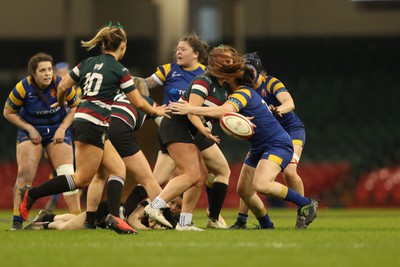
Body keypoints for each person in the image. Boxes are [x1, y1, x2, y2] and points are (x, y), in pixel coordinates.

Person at [19, 22, 169, 235]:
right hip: (94, 123)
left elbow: (62, 86)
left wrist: (62, 102)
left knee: (117, 169)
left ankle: (110, 218)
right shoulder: (119, 69)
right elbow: (139, 103)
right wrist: (157, 111)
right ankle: (32, 194)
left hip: (87, 119)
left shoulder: (87, 62)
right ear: (122, 46)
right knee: (82, 178)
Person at [169, 61, 318, 230]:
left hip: (276, 144)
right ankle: (266, 224)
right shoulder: (237, 94)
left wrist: (191, 108)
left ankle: (306, 204)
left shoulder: (242, 93)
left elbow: (222, 111)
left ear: (233, 78)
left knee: (261, 185)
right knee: (244, 191)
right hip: (259, 146)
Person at [144, 45, 244, 231]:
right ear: (216, 63)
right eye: (226, 60)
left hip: (189, 129)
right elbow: (191, 112)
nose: (230, 63)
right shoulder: (204, 81)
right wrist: (204, 130)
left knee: (201, 176)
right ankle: (154, 207)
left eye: (231, 60)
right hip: (176, 125)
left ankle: (184, 223)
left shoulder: (224, 86)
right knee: (191, 174)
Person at [230, 53, 308, 229]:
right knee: (249, 177)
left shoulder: (270, 82)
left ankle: (303, 212)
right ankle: (241, 220)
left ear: (258, 71)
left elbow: (289, 102)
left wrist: (279, 110)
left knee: (289, 171)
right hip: (268, 136)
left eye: (250, 70)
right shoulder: (243, 89)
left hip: (290, 131)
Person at [3, 52, 79, 231]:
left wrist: (62, 129)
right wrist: (29, 129)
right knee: (25, 173)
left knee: (67, 173)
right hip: (31, 131)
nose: (47, 73)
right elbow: (8, 112)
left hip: (57, 129)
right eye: (42, 70)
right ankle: (17, 221)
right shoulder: (22, 88)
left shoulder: (61, 83)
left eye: (50, 69)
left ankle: (77, 217)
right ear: (33, 74)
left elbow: (76, 106)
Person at [24, 189, 183, 231]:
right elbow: (132, 219)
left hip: (111, 220)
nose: (174, 208)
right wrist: (149, 230)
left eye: (179, 207)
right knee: (68, 227)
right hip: (109, 212)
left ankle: (48, 216)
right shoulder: (154, 203)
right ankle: (43, 225)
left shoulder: (173, 220)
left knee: (74, 220)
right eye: (172, 202)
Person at [44, 62, 82, 214]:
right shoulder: (50, 90)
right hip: (55, 134)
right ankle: (54, 198)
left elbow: (79, 107)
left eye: (65, 72)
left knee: (76, 168)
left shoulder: (77, 90)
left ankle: (75, 201)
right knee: (58, 169)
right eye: (59, 72)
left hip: (74, 133)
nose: (63, 75)